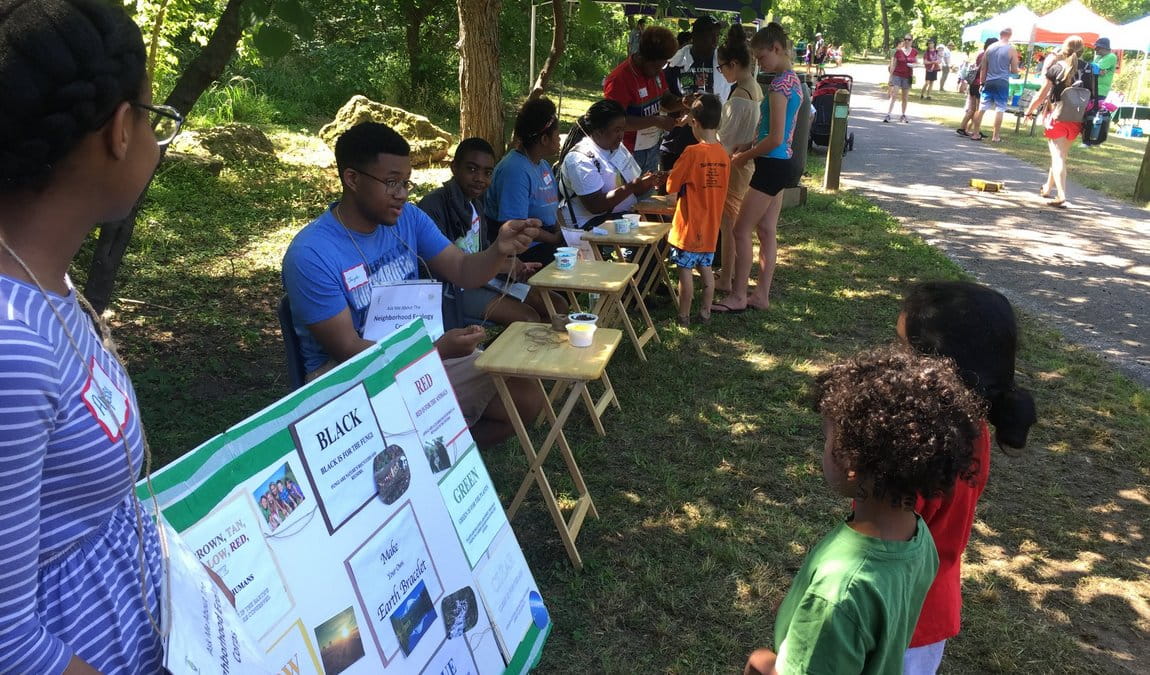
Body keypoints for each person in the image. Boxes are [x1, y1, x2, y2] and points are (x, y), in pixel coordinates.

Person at [0, 0, 183, 670]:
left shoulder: (46, 280)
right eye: (156, 119)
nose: (159, 143)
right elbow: (9, 646)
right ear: (118, 132)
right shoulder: (11, 349)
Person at [281, 122, 544, 449]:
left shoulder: (408, 218)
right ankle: (414, 461)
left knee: (525, 397)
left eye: (406, 182)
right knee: (413, 420)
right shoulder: (312, 254)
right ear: (352, 179)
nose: (403, 194)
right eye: (391, 183)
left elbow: (461, 268)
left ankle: (441, 458)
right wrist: (435, 351)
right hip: (350, 378)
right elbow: (348, 350)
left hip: (418, 353)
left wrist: (498, 250)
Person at [743, 346, 983, 675]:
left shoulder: (840, 593)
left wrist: (763, 662)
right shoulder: (916, 535)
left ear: (848, 461)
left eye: (825, 439)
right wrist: (800, 612)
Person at [896, 281, 1037, 675]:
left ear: (938, 365)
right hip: (932, 604)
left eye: (904, 349)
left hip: (894, 614)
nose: (894, 359)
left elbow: (884, 544)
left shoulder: (919, 447)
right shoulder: (974, 425)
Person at [419, 137, 563, 326]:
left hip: (486, 278)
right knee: (529, 319)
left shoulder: (476, 204)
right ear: (454, 167)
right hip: (454, 289)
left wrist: (512, 265)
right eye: (472, 169)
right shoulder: (434, 206)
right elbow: (446, 268)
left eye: (487, 173)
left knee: (557, 305)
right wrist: (504, 266)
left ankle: (529, 352)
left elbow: (484, 251)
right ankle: (502, 353)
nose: (480, 178)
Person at [712, 23, 802, 314]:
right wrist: (749, 143)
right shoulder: (793, 81)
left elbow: (775, 137)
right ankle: (760, 295)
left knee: (740, 229)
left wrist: (745, 155)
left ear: (777, 49)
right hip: (781, 163)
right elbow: (776, 131)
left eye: (762, 58)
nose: (760, 64)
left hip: (772, 165)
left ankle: (738, 295)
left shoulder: (778, 86)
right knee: (766, 229)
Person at [665, 95, 729, 326]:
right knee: (707, 271)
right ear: (719, 123)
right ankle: (705, 313)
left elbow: (671, 185)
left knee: (685, 273)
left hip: (688, 226)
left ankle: (683, 316)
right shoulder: (723, 155)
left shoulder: (692, 153)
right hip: (711, 227)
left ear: (694, 122)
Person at [557, 99, 663, 233]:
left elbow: (633, 189)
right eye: (617, 130)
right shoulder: (579, 160)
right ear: (599, 131)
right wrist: (633, 186)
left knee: (662, 231)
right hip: (590, 228)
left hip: (620, 220)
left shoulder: (616, 148)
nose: (621, 136)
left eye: (623, 130)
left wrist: (647, 182)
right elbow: (596, 205)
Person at [485, 98, 566, 264]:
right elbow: (515, 227)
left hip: (546, 240)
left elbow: (554, 208)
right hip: (524, 249)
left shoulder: (542, 164)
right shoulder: (515, 171)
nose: (559, 140)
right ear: (544, 139)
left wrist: (562, 233)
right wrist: (553, 239)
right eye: (557, 135)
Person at [715, 24, 763, 295]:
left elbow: (724, 137)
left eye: (722, 67)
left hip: (734, 164)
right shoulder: (754, 87)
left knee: (730, 225)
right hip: (746, 163)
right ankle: (728, 273)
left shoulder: (741, 95)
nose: (721, 72)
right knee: (735, 223)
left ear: (733, 64)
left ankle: (726, 277)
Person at [604, 25, 680, 174]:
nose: (660, 72)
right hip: (625, 152)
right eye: (658, 66)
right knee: (627, 197)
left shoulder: (656, 72)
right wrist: (656, 121)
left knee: (646, 196)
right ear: (645, 58)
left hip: (651, 149)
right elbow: (614, 122)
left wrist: (683, 102)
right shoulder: (619, 79)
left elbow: (665, 99)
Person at [660, 15, 730, 172]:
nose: (715, 40)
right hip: (676, 145)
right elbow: (664, 103)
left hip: (710, 148)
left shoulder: (725, 63)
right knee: (669, 194)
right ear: (695, 37)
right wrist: (685, 102)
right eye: (710, 35)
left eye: (717, 35)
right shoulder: (675, 62)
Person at [1025, 36, 1087, 208]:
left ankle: (1061, 195)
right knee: (1060, 155)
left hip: (1057, 116)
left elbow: (1041, 94)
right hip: (1077, 118)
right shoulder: (1090, 69)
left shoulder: (1057, 68)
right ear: (1083, 50)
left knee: (1058, 156)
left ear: (1064, 49)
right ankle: (1047, 188)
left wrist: (1029, 111)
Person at [970, 27, 1020, 142]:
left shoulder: (990, 48)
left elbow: (983, 68)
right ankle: (995, 136)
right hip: (1002, 81)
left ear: (1000, 34)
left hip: (989, 81)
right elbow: (1014, 70)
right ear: (1010, 35)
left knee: (981, 108)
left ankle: (975, 133)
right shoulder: (1011, 49)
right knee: (1000, 108)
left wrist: (982, 82)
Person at [957, 38, 995, 137]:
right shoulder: (988, 55)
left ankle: (963, 128)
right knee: (979, 109)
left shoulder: (980, 54)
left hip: (973, 83)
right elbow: (984, 69)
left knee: (972, 109)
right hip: (980, 84)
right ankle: (975, 131)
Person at [885, 34, 917, 123]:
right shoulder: (898, 52)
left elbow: (916, 63)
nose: (907, 41)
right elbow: (893, 64)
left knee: (905, 97)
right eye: (905, 39)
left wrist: (913, 65)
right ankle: (888, 114)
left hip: (907, 76)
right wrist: (890, 77)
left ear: (912, 41)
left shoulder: (914, 52)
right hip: (897, 75)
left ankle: (903, 114)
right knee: (894, 94)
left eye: (909, 39)